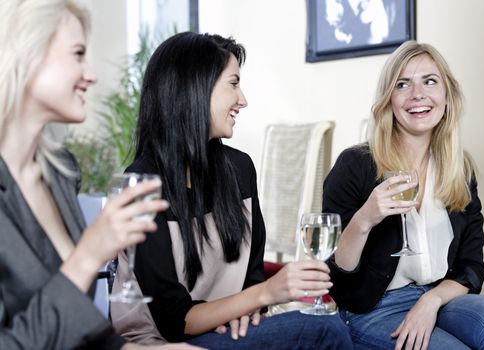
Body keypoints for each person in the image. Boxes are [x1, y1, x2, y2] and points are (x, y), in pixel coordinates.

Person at [110, 32, 354, 350]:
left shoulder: (238, 169)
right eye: (233, 83)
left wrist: (249, 305)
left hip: (227, 333)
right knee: (322, 329)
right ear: (195, 87)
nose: (243, 99)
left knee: (325, 325)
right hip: (164, 344)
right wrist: (265, 294)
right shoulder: (142, 185)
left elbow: (251, 276)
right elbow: (172, 322)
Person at [0, 1, 201, 349]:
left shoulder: (60, 174)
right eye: (77, 54)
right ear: (28, 56)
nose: (90, 74)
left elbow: (77, 326)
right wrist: (89, 255)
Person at [323, 40, 484, 349]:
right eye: (403, 84)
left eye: (429, 81)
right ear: (389, 98)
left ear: (447, 95)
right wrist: (365, 219)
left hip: (438, 296)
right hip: (372, 308)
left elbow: (472, 266)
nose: (418, 94)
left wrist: (430, 301)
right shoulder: (355, 165)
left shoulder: (459, 169)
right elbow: (339, 281)